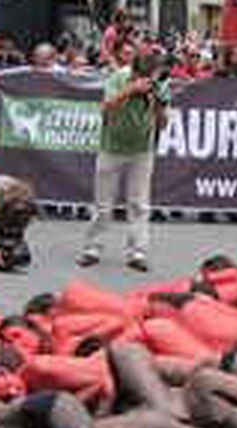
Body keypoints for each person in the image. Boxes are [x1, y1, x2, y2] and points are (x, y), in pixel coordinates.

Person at [77, 39, 170, 273]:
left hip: (142, 149)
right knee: (103, 204)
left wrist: (158, 104)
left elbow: (163, 124)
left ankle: (138, 252)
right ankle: (92, 249)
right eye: (144, 76)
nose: (148, 79)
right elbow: (105, 108)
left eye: (151, 76)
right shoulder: (118, 78)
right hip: (112, 147)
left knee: (139, 204)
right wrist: (130, 90)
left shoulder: (160, 83)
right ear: (135, 71)